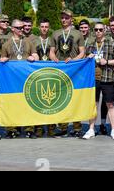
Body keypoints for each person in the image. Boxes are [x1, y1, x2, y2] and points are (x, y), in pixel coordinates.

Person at [49, 9, 86, 138]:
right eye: (62, 17)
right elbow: (52, 51)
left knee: (75, 98)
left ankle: (77, 127)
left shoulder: (78, 34)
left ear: (71, 19)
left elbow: (82, 52)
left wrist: (73, 60)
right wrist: (54, 58)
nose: (64, 20)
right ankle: (63, 127)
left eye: (66, 18)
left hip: (74, 70)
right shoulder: (55, 33)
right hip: (61, 70)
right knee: (62, 99)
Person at [0, 19, 39, 138]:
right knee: (13, 104)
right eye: (19, 28)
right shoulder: (6, 44)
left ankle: (29, 129)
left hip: (27, 78)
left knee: (28, 103)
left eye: (22, 27)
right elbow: (2, 59)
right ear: (12, 29)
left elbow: (37, 56)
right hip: (12, 80)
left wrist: (34, 57)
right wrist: (3, 60)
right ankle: (12, 129)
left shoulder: (28, 42)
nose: (22, 29)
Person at [83, 23, 114, 140]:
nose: (98, 31)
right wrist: (87, 57)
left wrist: (107, 62)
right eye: (96, 29)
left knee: (109, 104)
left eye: (100, 29)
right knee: (93, 104)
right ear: (94, 31)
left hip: (107, 78)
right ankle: (91, 129)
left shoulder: (111, 43)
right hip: (93, 79)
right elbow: (84, 59)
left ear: (105, 30)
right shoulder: (90, 44)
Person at [33, 18, 57, 138]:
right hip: (38, 74)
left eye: (46, 27)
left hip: (50, 73)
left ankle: (51, 128)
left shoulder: (53, 40)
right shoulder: (33, 40)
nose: (44, 29)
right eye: (42, 26)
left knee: (51, 102)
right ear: (39, 27)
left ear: (49, 27)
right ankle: (39, 128)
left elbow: (55, 55)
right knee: (39, 101)